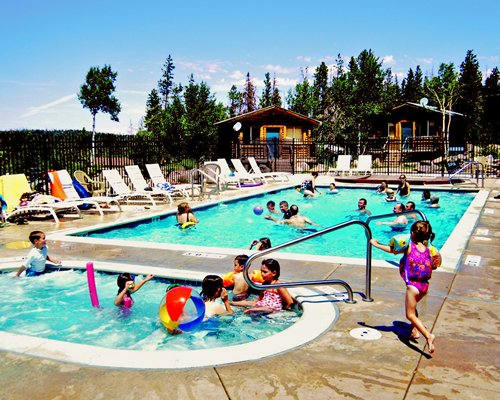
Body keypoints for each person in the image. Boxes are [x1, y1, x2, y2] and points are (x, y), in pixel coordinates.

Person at [370, 221, 440, 353]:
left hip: (413, 286)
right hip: (424, 286)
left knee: (410, 315)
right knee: (413, 307)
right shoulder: (427, 250)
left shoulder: (409, 247)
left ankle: (428, 336)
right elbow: (434, 265)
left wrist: (375, 244)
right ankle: (414, 331)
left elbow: (393, 251)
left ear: (412, 234)